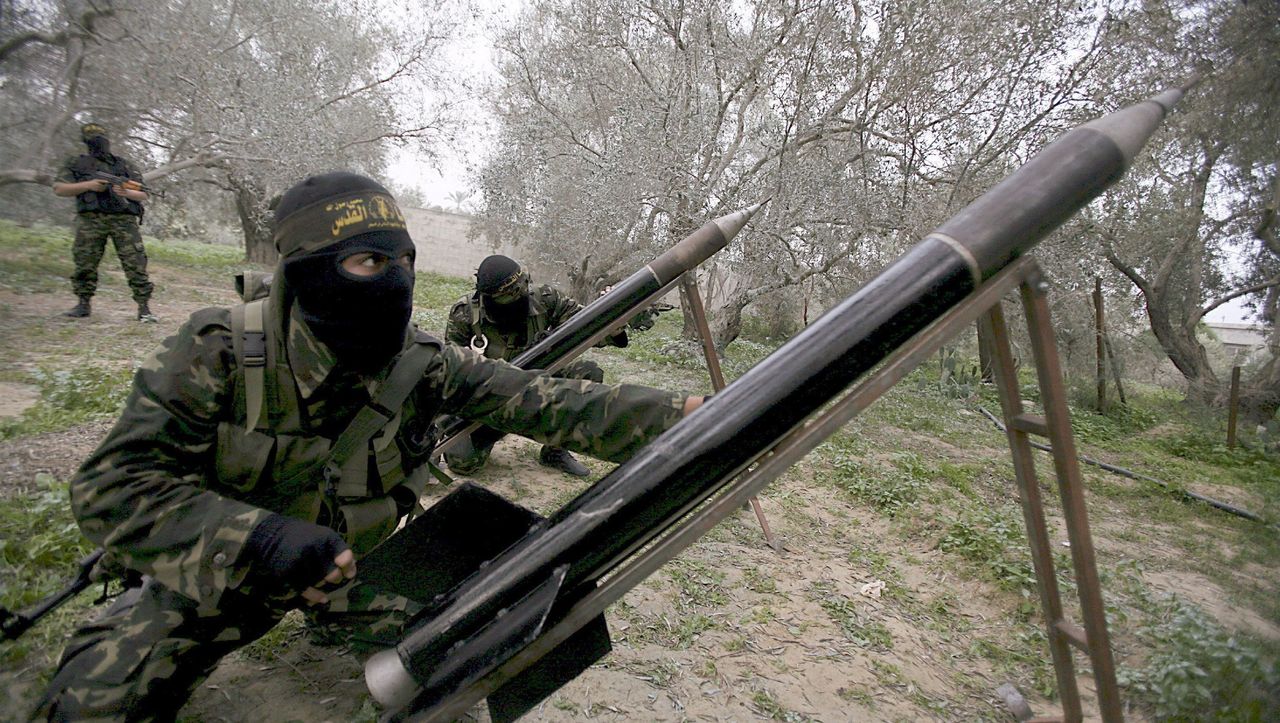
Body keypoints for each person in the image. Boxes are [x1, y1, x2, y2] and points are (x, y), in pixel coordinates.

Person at [35, 172, 705, 721]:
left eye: (404, 261)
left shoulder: (422, 362)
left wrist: (681, 415)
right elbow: (110, 487)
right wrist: (260, 540)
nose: (395, 280)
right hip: (226, 576)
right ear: (308, 270)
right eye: (369, 261)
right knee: (93, 699)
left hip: (358, 574)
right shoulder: (221, 349)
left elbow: (542, 400)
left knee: (469, 643)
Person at [445, 255, 630, 477]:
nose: (521, 294)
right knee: (463, 463)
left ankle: (556, 450)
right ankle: (493, 431)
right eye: (510, 293)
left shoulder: (545, 298)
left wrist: (612, 321)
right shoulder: (465, 313)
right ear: (489, 296)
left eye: (523, 285)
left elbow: (586, 326)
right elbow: (452, 371)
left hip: (538, 383)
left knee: (587, 372)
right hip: (491, 398)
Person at [52, 122, 157, 322]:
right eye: (93, 139)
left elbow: (143, 194)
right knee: (85, 262)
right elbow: (59, 189)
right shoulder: (76, 163)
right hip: (91, 220)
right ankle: (83, 304)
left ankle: (144, 308)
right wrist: (89, 185)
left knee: (135, 263)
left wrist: (126, 192)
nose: (98, 144)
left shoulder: (124, 165)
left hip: (123, 221)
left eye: (100, 139)